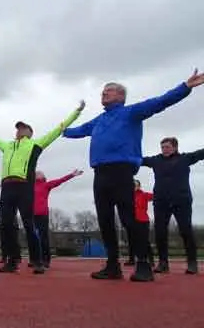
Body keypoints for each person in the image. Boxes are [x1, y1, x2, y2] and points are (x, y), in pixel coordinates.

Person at [63, 69, 204, 281]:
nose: (103, 94)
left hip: (122, 171)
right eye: (102, 92)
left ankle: (143, 264)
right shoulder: (99, 120)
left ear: (120, 96)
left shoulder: (131, 112)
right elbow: (79, 130)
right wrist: (62, 129)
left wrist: (185, 87)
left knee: (129, 219)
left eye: (108, 91)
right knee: (105, 220)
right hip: (100, 173)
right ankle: (113, 266)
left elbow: (160, 102)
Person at [0, 101, 84, 274]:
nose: (19, 131)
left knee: (29, 224)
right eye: (18, 128)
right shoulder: (7, 146)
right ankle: (12, 261)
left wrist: (76, 112)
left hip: (24, 187)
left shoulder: (36, 144)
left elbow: (58, 129)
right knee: (6, 224)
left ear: (30, 132)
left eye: (23, 128)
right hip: (7, 187)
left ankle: (37, 261)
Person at [141, 137, 203, 275]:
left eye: (167, 147)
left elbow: (201, 153)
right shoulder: (155, 160)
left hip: (181, 200)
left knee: (185, 231)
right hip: (161, 201)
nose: (164, 150)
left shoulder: (185, 158)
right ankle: (163, 263)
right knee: (160, 232)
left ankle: (192, 263)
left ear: (175, 147)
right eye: (162, 147)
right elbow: (138, 160)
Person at [32, 169, 83, 268]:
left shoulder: (46, 185)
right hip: (31, 215)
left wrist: (72, 175)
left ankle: (46, 260)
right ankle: (34, 259)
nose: (37, 173)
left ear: (43, 177)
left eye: (40, 173)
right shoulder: (30, 186)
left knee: (43, 237)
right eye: (36, 173)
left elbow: (60, 180)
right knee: (32, 237)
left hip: (42, 214)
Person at [127, 180, 154, 266]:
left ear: (139, 186)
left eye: (136, 185)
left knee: (145, 241)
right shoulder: (128, 196)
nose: (134, 187)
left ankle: (151, 260)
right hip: (132, 221)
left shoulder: (144, 195)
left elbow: (156, 196)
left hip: (143, 221)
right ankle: (131, 260)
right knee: (131, 240)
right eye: (132, 185)